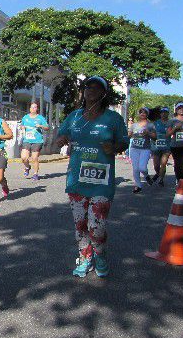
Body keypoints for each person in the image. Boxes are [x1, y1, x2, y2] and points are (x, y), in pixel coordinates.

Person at [55, 76, 128, 277]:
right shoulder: (74, 117)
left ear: (104, 93)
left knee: (97, 226)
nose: (91, 90)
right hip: (77, 180)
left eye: (97, 88)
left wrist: (114, 147)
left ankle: (100, 254)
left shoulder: (113, 119)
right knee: (80, 225)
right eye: (88, 86)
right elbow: (59, 137)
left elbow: (124, 142)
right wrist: (61, 140)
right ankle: (85, 257)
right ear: (83, 91)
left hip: (101, 183)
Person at [128, 107, 156, 193]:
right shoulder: (134, 125)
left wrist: (148, 133)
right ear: (139, 114)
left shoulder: (150, 125)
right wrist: (130, 134)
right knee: (136, 168)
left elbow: (155, 137)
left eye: (144, 112)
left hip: (145, 149)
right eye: (141, 112)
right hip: (134, 148)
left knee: (142, 168)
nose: (142, 114)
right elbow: (128, 135)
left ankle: (146, 176)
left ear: (147, 114)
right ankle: (138, 186)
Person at [19, 101, 49, 180]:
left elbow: (47, 127)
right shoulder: (25, 117)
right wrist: (22, 127)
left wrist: (40, 126)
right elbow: (21, 125)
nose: (34, 109)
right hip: (27, 140)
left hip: (37, 141)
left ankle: (35, 174)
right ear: (30, 109)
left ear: (37, 109)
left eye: (35, 107)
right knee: (23, 158)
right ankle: (27, 167)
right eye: (32, 107)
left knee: (34, 158)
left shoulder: (40, 118)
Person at [150, 107, 171, 187]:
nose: (163, 114)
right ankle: (158, 174)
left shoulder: (170, 123)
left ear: (168, 113)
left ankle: (161, 179)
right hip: (156, 146)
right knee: (156, 165)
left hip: (166, 146)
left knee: (163, 163)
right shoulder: (155, 123)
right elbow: (152, 133)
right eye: (162, 112)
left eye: (165, 112)